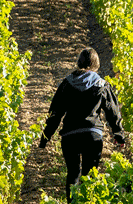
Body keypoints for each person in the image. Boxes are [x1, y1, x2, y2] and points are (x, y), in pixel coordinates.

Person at [39, 47, 124, 194]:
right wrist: (119, 135)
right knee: (89, 177)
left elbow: (55, 113)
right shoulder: (102, 85)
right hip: (92, 135)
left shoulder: (67, 83)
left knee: (73, 174)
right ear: (97, 65)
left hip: (70, 136)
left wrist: (45, 137)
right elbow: (113, 111)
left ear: (79, 63)